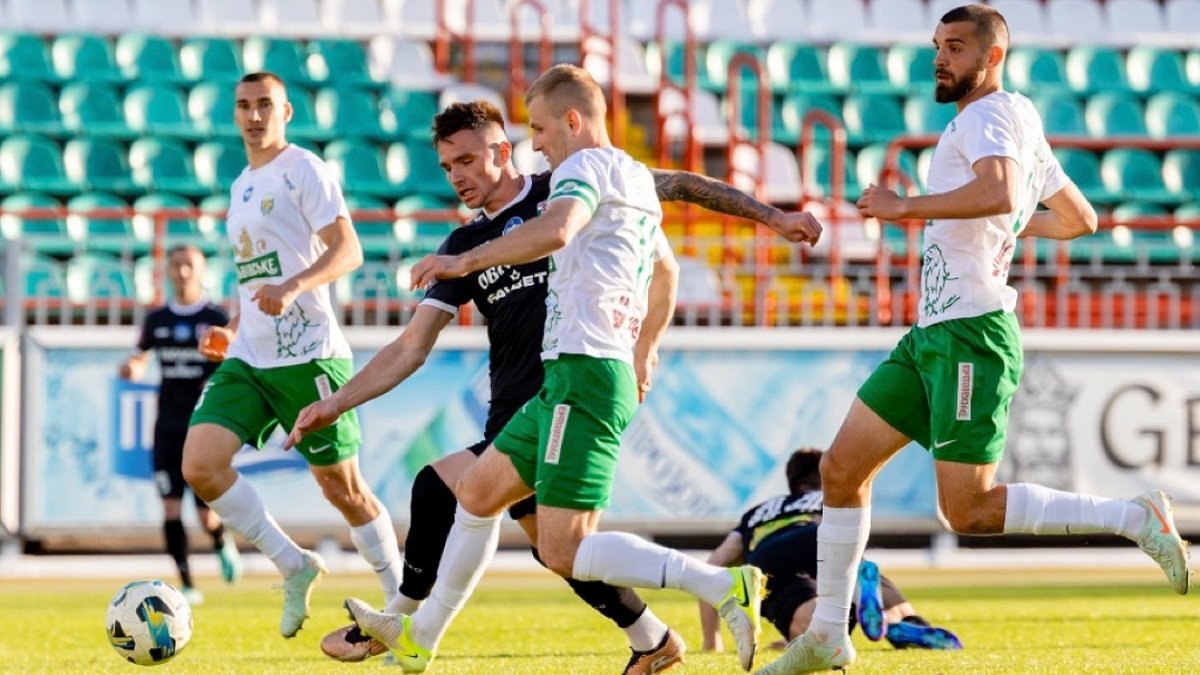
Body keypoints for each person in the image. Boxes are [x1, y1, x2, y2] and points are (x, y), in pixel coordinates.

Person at [289, 99, 822, 672]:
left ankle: (402, 624)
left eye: (467, 160)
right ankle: (651, 638)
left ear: (503, 149)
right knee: (536, 537)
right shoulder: (462, 243)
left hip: (573, 386)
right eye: (446, 167)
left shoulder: (568, 185)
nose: (457, 177)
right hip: (518, 409)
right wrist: (336, 402)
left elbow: (672, 229)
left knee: (485, 509)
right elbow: (410, 348)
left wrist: (648, 345)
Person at [756, 6, 1191, 674]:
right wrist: (1006, 224)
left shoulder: (986, 116)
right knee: (842, 470)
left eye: (955, 48)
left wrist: (906, 207)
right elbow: (1080, 218)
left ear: (992, 58)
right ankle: (827, 634)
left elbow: (1000, 190)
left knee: (969, 510)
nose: (940, 58)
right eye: (937, 45)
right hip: (932, 331)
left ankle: (1135, 517)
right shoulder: (1016, 118)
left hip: (970, 333)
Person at [180, 71, 405, 638]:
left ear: (285, 112)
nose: (254, 115)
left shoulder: (304, 168)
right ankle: (293, 564)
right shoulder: (240, 185)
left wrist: (294, 286)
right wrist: (233, 326)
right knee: (200, 465)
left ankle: (403, 604)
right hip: (249, 358)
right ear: (234, 114)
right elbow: (255, 273)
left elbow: (349, 250)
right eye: (244, 106)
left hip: (309, 356)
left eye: (265, 105)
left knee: (343, 490)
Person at [699, 448, 961, 655]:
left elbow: (714, 565)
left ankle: (808, 633)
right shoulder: (831, 497)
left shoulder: (758, 512)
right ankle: (897, 620)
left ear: (792, 481)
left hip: (769, 553)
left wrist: (713, 641)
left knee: (815, 630)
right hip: (820, 534)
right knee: (851, 566)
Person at [118, 244, 241, 606]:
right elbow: (140, 357)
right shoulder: (157, 319)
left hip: (204, 428)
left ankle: (220, 541)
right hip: (167, 429)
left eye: (189, 265)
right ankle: (187, 584)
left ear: (201, 271)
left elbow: (233, 364)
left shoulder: (216, 317)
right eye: (176, 265)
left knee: (206, 515)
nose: (183, 272)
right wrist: (132, 368)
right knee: (170, 507)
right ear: (167, 271)